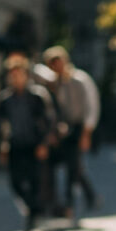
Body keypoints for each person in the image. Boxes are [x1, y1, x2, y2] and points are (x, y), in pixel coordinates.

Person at [0, 52, 55, 231]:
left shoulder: (37, 96)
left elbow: (48, 121)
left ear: (25, 75)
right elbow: (1, 125)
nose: (15, 78)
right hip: (15, 144)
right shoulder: (4, 100)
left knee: (35, 180)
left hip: (34, 144)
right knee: (15, 182)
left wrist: (44, 143)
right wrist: (3, 144)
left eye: (18, 74)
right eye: (12, 75)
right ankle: (34, 209)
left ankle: (33, 216)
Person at [43, 45, 101, 220]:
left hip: (81, 127)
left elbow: (92, 107)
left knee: (73, 165)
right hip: (64, 130)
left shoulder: (81, 80)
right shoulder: (55, 85)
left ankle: (69, 205)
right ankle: (90, 196)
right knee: (73, 165)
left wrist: (87, 133)